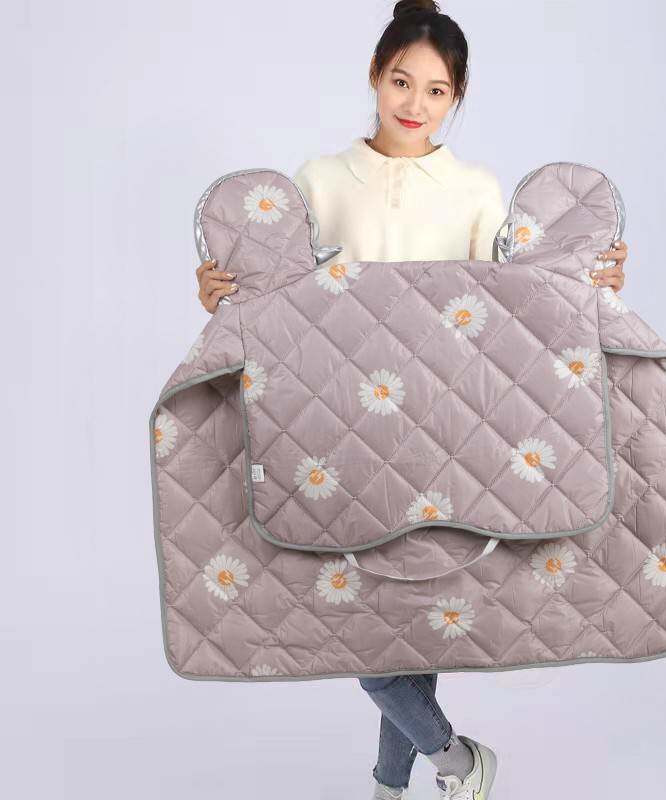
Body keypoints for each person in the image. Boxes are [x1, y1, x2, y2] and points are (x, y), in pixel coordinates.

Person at [195, 3, 628, 797]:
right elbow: (278, 303)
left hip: (446, 437)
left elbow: (519, 308)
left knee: (407, 633)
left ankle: (393, 789)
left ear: (456, 97)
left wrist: (593, 280)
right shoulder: (319, 182)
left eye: (436, 91)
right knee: (371, 640)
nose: (414, 104)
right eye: (401, 81)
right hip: (339, 436)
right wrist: (220, 293)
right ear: (374, 75)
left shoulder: (475, 192)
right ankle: (459, 763)